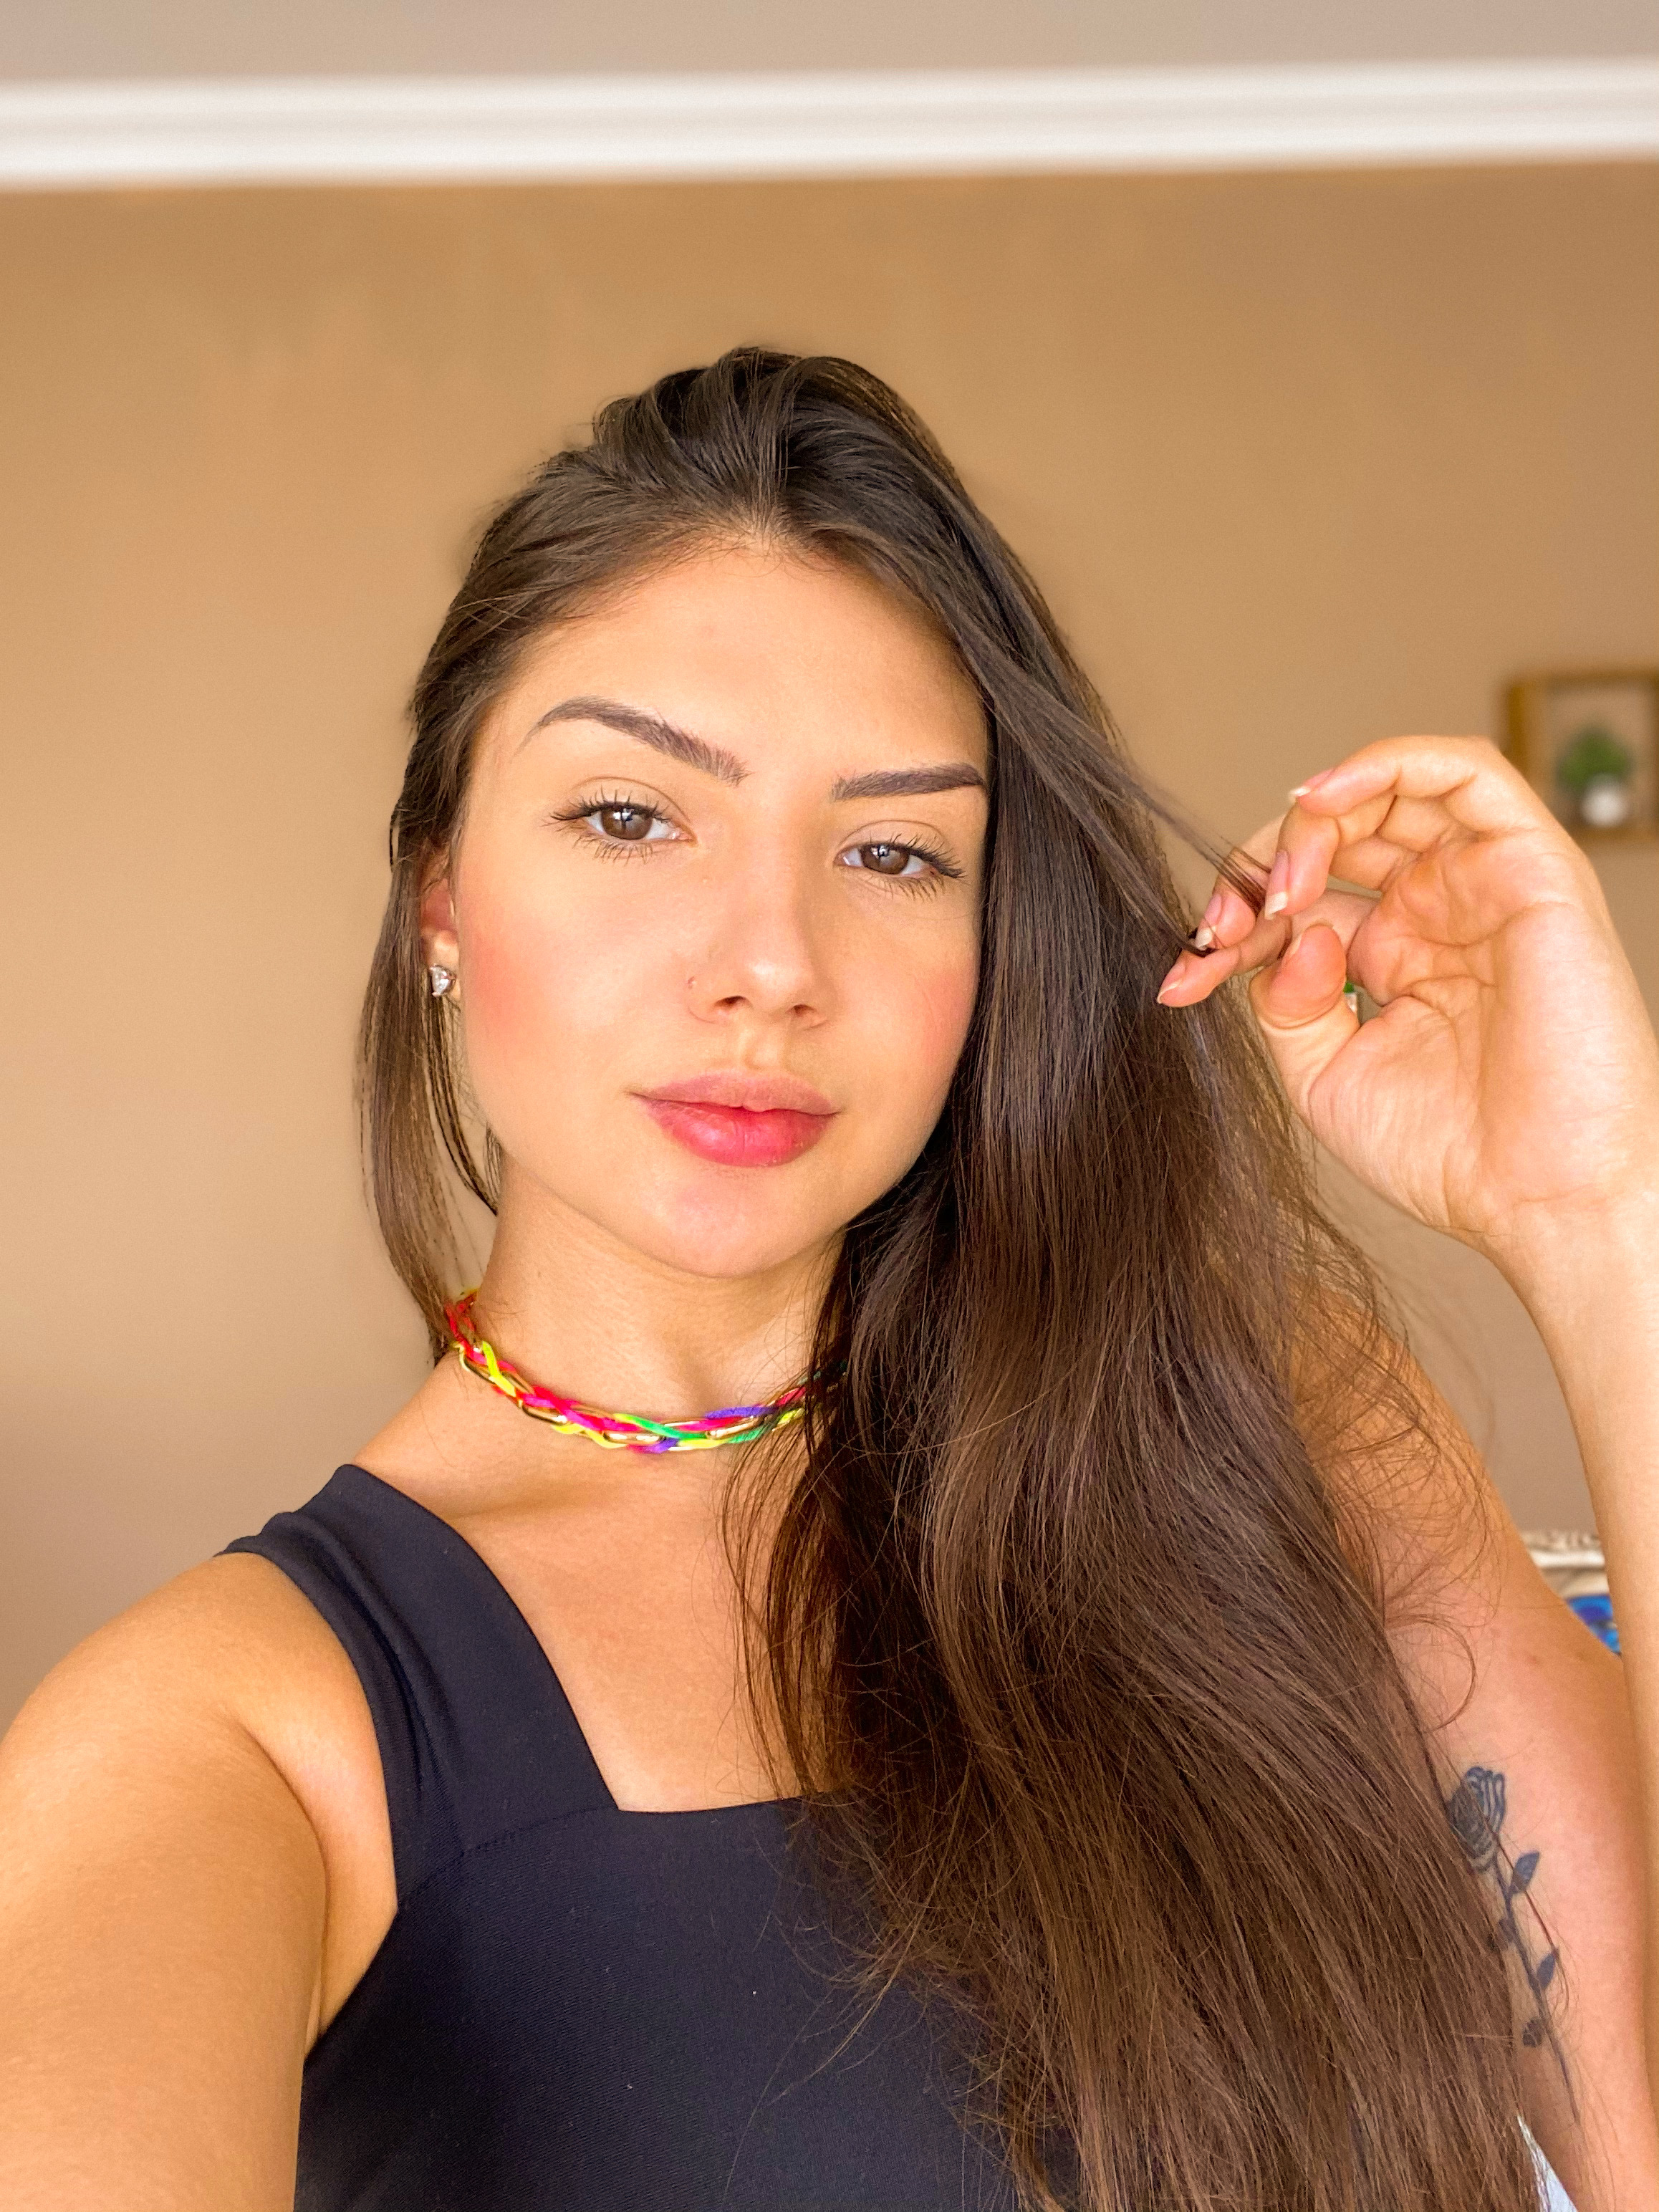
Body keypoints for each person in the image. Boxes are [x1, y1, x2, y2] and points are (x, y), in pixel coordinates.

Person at [1, 350, 1655, 2212]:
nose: (772, 962)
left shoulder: (1260, 1415)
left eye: (890, 850)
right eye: (631, 817)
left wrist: (1598, 1210)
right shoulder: (233, 1731)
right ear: (441, 890)